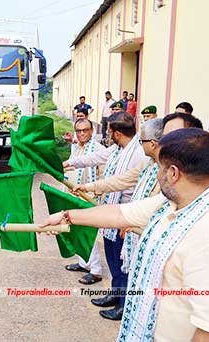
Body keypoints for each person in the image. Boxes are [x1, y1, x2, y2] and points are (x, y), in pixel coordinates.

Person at [42, 128, 209, 341]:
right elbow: (120, 214)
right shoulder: (175, 204)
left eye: (159, 168)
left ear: (173, 173)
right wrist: (66, 215)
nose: (156, 174)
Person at [65, 112, 146, 321]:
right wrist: (70, 163)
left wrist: (128, 220)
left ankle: (123, 304)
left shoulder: (138, 153)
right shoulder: (118, 149)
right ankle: (115, 293)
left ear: (117, 133)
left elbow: (128, 184)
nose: (107, 134)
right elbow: (96, 158)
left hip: (126, 213)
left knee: (124, 261)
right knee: (112, 257)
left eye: (109, 131)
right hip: (112, 210)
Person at [74, 118, 163, 277]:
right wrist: (89, 187)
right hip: (118, 212)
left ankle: (122, 298)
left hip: (131, 217)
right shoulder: (129, 154)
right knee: (114, 260)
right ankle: (116, 294)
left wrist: (130, 218)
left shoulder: (142, 156)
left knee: (126, 265)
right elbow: (122, 179)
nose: (140, 143)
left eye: (142, 141)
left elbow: (152, 199)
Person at [64, 118, 104, 285]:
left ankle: (95, 270)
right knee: (76, 231)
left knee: (89, 234)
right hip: (74, 195)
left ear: (92, 131)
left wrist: (97, 195)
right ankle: (83, 263)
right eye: (79, 131)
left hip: (90, 197)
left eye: (85, 130)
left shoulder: (99, 150)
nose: (82, 134)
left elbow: (104, 175)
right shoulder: (76, 147)